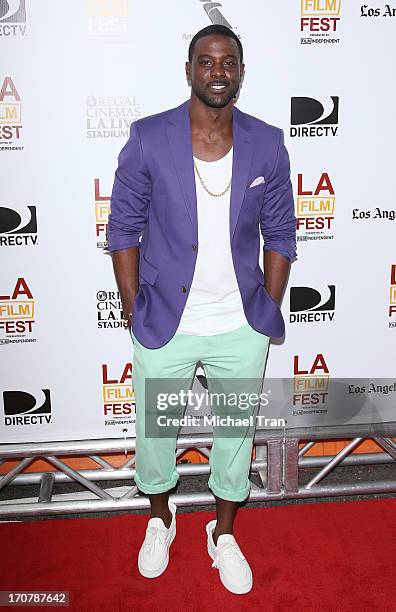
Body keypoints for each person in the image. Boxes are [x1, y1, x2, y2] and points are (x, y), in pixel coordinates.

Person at [108, 24, 296, 595]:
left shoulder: (266, 143)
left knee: (235, 435)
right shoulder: (147, 138)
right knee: (156, 433)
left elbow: (281, 232)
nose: (218, 70)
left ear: (241, 72)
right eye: (207, 61)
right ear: (188, 69)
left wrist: (267, 302)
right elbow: (123, 228)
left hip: (239, 323)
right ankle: (160, 520)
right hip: (167, 319)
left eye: (229, 61)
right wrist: (134, 304)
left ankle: (224, 533)